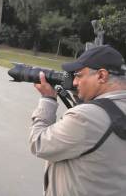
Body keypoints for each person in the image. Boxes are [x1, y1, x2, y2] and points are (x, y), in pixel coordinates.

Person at [31, 45, 126, 196]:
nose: (74, 82)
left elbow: (39, 144)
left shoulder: (86, 117)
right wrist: (81, 95)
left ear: (101, 76)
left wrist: (48, 100)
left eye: (79, 75)